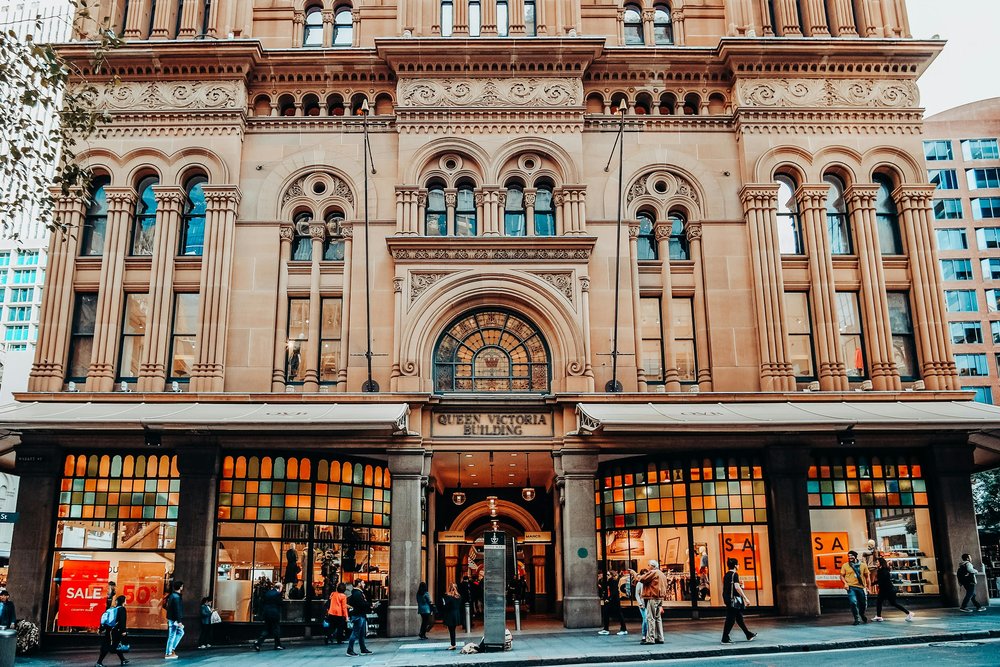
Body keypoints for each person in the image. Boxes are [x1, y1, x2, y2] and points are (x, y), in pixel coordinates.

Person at [721, 558, 757, 644]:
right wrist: (745, 598)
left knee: (739, 618)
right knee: (730, 619)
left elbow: (730, 587)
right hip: (733, 599)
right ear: (735, 565)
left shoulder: (726, 575)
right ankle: (725, 638)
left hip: (727, 598)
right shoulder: (735, 574)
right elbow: (737, 588)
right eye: (738, 564)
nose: (738, 565)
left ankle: (748, 634)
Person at [873, 557, 914, 622]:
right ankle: (879, 616)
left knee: (887, 602)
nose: (876, 563)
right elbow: (880, 580)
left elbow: (881, 581)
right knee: (886, 602)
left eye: (877, 562)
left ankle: (909, 613)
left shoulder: (884, 571)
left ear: (881, 563)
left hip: (887, 590)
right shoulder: (881, 570)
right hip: (887, 589)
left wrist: (872, 584)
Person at [638, 560, 667, 645]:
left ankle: (650, 639)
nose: (648, 567)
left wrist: (634, 573)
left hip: (653, 597)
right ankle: (660, 637)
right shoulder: (662, 574)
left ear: (652, 566)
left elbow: (641, 579)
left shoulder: (653, 572)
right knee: (658, 618)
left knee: (650, 618)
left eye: (649, 565)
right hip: (660, 598)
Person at [96, 594, 128, 667]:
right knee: (108, 646)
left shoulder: (112, 609)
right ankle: (99, 662)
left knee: (116, 645)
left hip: (109, 630)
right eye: (125, 600)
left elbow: (105, 620)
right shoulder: (122, 609)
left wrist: (101, 629)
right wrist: (123, 631)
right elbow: (123, 621)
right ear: (123, 601)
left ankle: (123, 660)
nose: (126, 602)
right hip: (115, 631)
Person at [840, 550, 870, 625]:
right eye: (849, 556)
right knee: (853, 602)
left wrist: (868, 587)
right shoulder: (845, 565)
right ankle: (857, 618)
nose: (850, 557)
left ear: (855, 556)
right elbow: (841, 576)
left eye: (851, 556)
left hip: (860, 587)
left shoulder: (863, 565)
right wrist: (845, 583)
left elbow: (867, 577)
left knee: (862, 604)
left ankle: (862, 614)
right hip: (851, 587)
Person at [253, 581, 284, 651]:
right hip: (274, 614)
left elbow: (263, 602)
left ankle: (258, 642)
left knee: (267, 629)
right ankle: (277, 645)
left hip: (266, 613)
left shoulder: (268, 593)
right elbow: (280, 603)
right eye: (282, 587)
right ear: (279, 588)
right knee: (276, 629)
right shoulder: (278, 594)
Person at [346, 579, 374, 657]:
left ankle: (363, 649)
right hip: (358, 615)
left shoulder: (358, 593)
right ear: (359, 584)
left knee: (361, 634)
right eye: (363, 583)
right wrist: (369, 605)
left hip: (360, 615)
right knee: (355, 633)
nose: (364, 584)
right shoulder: (357, 593)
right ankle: (349, 650)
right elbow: (361, 604)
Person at [597, 569, 626, 635]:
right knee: (606, 614)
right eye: (606, 575)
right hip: (609, 600)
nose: (607, 576)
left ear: (612, 575)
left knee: (619, 614)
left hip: (614, 600)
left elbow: (614, 591)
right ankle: (606, 629)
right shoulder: (607, 581)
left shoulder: (613, 581)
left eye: (608, 575)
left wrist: (609, 599)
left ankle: (623, 629)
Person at [164, 580, 185, 660]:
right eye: (182, 586)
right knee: (173, 635)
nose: (182, 588)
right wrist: (179, 621)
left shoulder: (172, 596)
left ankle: (171, 650)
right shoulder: (176, 597)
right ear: (180, 587)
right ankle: (169, 652)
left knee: (179, 632)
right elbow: (177, 609)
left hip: (172, 618)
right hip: (174, 619)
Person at [441, 582, 463, 650]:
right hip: (456, 614)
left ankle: (453, 645)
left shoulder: (448, 597)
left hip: (450, 614)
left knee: (451, 630)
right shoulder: (458, 596)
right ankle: (453, 644)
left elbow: (445, 606)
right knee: (453, 630)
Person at [633, 569, 647, 639]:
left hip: (648, 603)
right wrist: (640, 603)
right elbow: (637, 594)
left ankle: (648, 634)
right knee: (645, 619)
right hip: (643, 603)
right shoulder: (639, 583)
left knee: (648, 619)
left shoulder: (648, 582)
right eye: (643, 574)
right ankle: (644, 634)